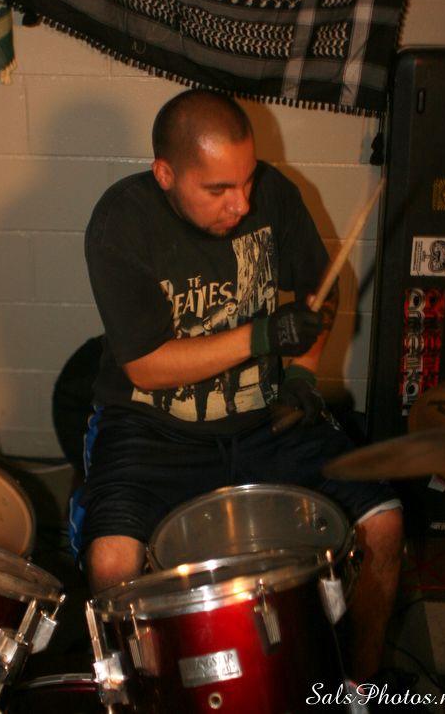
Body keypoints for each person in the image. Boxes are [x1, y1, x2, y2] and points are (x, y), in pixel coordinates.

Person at [80, 88, 403, 684]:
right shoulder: (120, 223)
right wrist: (263, 336)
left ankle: (357, 687)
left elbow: (321, 291)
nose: (242, 202)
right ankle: (141, 694)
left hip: (263, 417)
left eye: (247, 180)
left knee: (382, 523)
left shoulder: (275, 195)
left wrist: (301, 371)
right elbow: (146, 366)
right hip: (152, 427)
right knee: (110, 562)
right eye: (219, 189)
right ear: (166, 174)